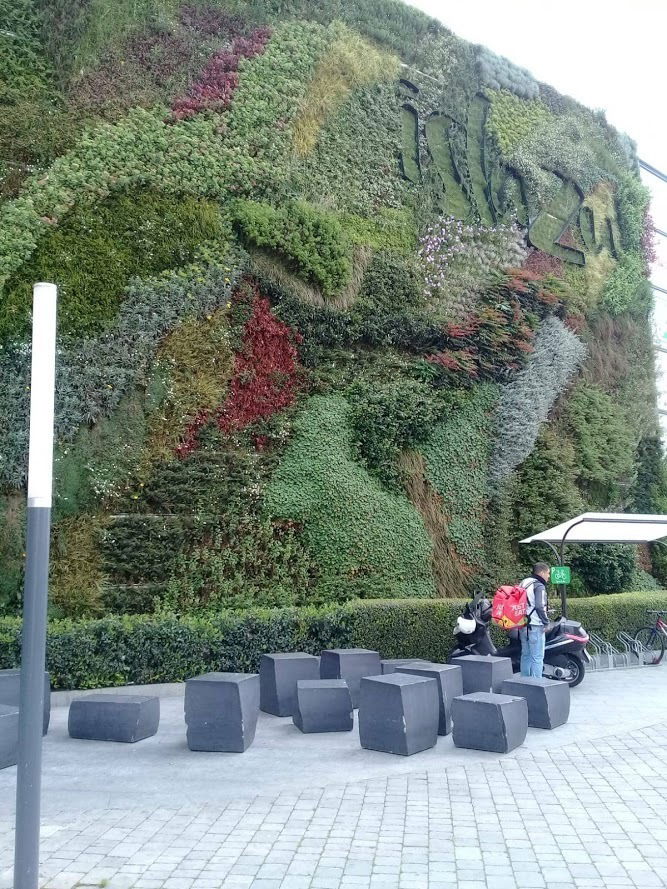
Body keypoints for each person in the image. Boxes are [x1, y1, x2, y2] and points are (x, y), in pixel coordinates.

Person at [519, 563, 551, 678]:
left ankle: (524, 682)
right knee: (537, 658)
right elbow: (539, 606)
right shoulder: (539, 586)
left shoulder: (524, 582)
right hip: (536, 626)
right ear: (542, 573)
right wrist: (546, 622)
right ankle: (536, 685)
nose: (549, 576)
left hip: (523, 624)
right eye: (548, 573)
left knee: (525, 655)